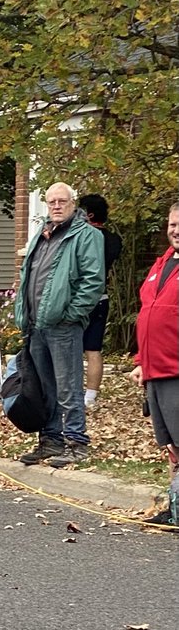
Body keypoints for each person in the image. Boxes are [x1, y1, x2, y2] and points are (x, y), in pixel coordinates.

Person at [14, 182, 104, 467]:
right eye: (51, 201)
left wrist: (72, 313)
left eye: (62, 201)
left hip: (64, 325)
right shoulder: (42, 235)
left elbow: (93, 280)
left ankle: (77, 442)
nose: (56, 206)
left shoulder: (85, 235)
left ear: (73, 203)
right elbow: (28, 274)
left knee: (69, 387)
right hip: (36, 324)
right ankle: (51, 440)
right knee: (44, 387)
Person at [129, 205, 179, 527]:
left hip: (176, 372)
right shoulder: (162, 264)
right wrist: (139, 361)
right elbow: (149, 313)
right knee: (173, 447)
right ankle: (176, 507)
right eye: (173, 224)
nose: (176, 230)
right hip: (155, 370)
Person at [80, 194, 123, 408]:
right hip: (101, 297)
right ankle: (90, 396)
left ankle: (71, 391)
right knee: (93, 349)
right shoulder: (114, 240)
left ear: (88, 214)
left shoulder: (82, 236)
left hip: (79, 299)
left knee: (71, 347)